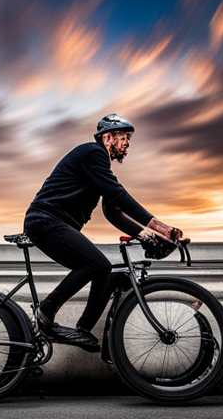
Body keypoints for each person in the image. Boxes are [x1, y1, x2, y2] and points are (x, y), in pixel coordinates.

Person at [23, 114, 182, 351]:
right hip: (45, 221)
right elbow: (119, 195)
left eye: (129, 138)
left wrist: (145, 235)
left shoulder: (99, 169)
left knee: (104, 272)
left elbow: (113, 211)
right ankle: (46, 311)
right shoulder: (93, 153)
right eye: (124, 137)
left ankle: (83, 329)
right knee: (97, 264)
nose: (128, 143)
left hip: (52, 224)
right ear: (107, 137)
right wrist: (162, 228)